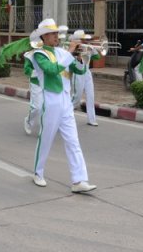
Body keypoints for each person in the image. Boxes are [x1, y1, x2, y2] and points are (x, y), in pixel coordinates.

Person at [27, 18, 96, 193]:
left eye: (57, 33)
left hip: (66, 102)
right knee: (46, 139)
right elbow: (51, 70)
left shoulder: (62, 52)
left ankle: (79, 180)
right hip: (51, 100)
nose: (57, 36)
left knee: (73, 141)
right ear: (44, 37)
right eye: (52, 33)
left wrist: (82, 58)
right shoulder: (39, 54)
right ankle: (38, 172)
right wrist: (70, 52)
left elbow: (79, 70)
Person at [70, 30, 101, 126]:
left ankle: (91, 119)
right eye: (83, 39)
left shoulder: (89, 47)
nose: (86, 41)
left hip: (87, 73)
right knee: (76, 98)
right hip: (77, 73)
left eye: (86, 39)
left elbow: (97, 58)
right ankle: (63, 115)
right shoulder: (73, 48)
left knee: (90, 96)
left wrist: (93, 50)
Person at [23, 32, 43, 135]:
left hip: (48, 83)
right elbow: (27, 71)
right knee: (37, 107)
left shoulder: (48, 53)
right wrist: (40, 72)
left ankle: (44, 129)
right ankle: (28, 121)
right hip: (36, 83)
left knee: (48, 107)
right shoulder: (29, 56)